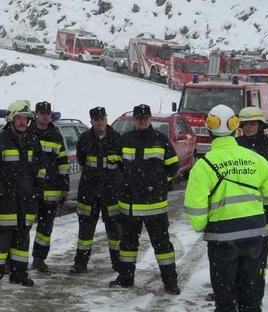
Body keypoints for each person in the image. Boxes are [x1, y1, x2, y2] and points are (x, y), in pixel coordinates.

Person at [184, 104, 268, 312]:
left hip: (222, 240)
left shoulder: (204, 165)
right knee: (251, 294)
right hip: (254, 238)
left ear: (210, 130)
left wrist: (208, 224)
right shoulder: (255, 159)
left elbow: (194, 212)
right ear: (236, 127)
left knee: (226, 297)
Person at [109, 104, 180, 293]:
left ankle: (170, 282)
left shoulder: (161, 140)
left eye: (145, 118)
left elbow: (173, 166)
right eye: (139, 118)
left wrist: (159, 183)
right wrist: (124, 184)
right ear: (134, 120)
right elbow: (114, 167)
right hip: (129, 205)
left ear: (150, 119)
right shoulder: (124, 140)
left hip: (155, 205)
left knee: (162, 245)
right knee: (127, 245)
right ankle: (125, 278)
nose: (142, 121)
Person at [0, 100, 45, 288]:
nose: (22, 122)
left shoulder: (33, 141)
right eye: (19, 118)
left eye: (25, 119)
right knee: (0, 242)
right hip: (5, 202)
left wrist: (37, 189)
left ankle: (19, 274)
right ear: (11, 119)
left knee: (22, 239)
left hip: (26, 201)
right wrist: (1, 192)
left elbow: (41, 168)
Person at [237, 106, 268, 300]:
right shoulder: (235, 146)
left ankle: (256, 293)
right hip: (236, 212)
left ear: (260, 125)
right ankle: (234, 290)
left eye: (253, 123)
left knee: (258, 257)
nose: (249, 128)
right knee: (235, 256)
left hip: (261, 214)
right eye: (246, 124)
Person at [69, 106, 122, 275]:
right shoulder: (84, 139)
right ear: (91, 121)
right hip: (89, 191)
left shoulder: (117, 139)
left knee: (115, 230)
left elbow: (123, 166)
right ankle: (80, 263)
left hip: (112, 192)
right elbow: (82, 160)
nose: (100, 122)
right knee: (85, 229)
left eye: (102, 119)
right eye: (96, 119)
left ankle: (118, 263)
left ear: (106, 119)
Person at [29, 101, 70, 273]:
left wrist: (65, 187)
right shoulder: (27, 133)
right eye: (42, 113)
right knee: (22, 226)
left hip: (52, 189)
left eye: (48, 113)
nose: (45, 116)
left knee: (45, 229)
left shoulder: (56, 135)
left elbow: (63, 163)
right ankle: (15, 260)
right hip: (30, 188)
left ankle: (39, 259)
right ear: (36, 114)